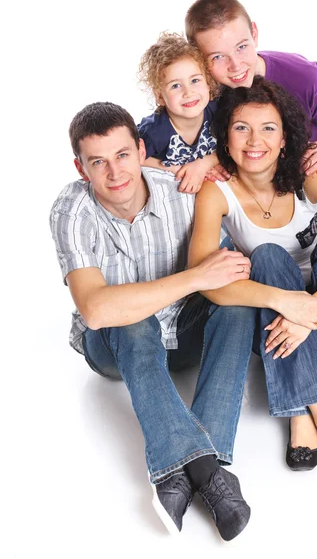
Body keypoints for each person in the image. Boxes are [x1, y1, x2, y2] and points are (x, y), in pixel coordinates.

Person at [49, 101, 258, 540]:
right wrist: (195, 277)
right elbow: (97, 309)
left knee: (237, 305)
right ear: (79, 167)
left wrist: (205, 278)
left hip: (184, 332)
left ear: (141, 149)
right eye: (97, 162)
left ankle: (182, 473)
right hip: (112, 346)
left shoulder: (181, 191)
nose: (114, 172)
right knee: (129, 319)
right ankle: (209, 469)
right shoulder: (71, 210)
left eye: (123, 155)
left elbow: (229, 272)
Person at [189, 77, 317, 484]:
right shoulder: (216, 193)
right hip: (277, 323)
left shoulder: (306, 174)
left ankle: (300, 409)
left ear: (284, 139)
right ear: (225, 139)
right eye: (241, 128)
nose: (254, 140)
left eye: (268, 128)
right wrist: (287, 304)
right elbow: (206, 281)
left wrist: (308, 313)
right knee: (265, 257)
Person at [185, 0, 317, 225]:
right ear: (198, 57)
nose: (235, 65)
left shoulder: (304, 76)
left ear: (254, 33)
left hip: (310, 186)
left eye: (242, 46)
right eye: (217, 57)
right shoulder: (198, 95)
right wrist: (208, 164)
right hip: (248, 198)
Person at [137, 32, 228, 194]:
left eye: (195, 80)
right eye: (175, 86)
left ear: (208, 83)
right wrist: (175, 168)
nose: (188, 92)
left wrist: (205, 163)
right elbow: (132, 159)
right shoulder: (155, 132)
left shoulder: (218, 111)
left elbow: (237, 143)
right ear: (160, 96)